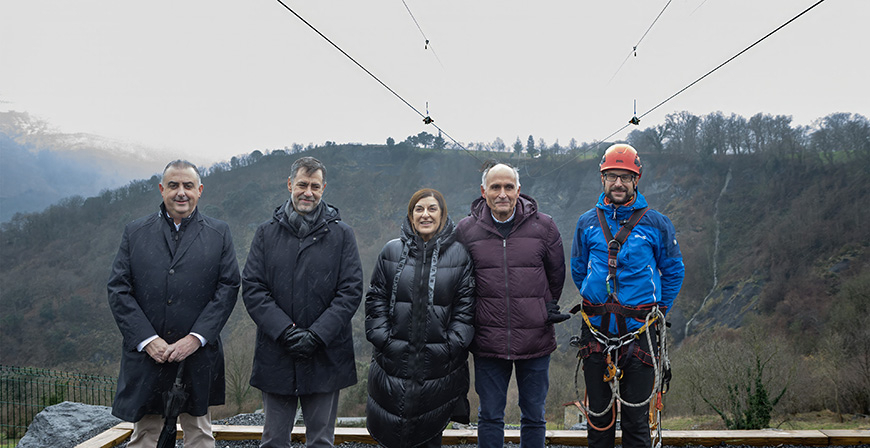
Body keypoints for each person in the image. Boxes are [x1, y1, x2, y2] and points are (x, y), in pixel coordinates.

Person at [107, 160, 241, 448]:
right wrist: (148, 339)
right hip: (146, 357)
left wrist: (195, 338)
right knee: (144, 436)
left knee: (200, 436)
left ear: (200, 190)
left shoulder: (218, 233)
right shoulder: (135, 232)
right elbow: (118, 289)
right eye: (174, 185)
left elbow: (228, 287)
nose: (181, 192)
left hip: (197, 355)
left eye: (188, 186)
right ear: (161, 189)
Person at [242, 156, 363, 448]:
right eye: (302, 185)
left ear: (324, 189)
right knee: (273, 440)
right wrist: (286, 331)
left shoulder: (342, 234)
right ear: (289, 185)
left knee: (321, 440)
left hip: (325, 354)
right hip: (277, 352)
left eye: (315, 186)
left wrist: (317, 335)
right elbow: (253, 288)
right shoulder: (266, 233)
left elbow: (350, 290)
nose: (308, 192)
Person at [570, 144, 684, 448]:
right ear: (602, 178)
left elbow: (673, 271)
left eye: (625, 177)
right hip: (596, 332)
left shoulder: (656, 223)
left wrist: (658, 310)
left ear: (637, 179)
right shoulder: (587, 222)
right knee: (599, 419)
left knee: (636, 423)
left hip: (640, 333)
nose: (618, 183)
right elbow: (579, 269)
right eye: (612, 176)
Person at [455, 162, 568, 448]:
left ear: (519, 190)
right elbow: (458, 281)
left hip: (536, 337)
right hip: (487, 340)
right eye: (495, 187)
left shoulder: (545, 226)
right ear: (483, 192)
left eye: (508, 187)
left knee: (534, 415)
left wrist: (543, 309)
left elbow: (556, 276)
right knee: (490, 415)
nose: (502, 193)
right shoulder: (466, 231)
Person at [365, 188, 476, 448]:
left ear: (442, 214)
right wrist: (384, 340)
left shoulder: (459, 255)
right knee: (390, 436)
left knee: (428, 437)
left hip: (438, 370)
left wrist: (450, 346)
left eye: (432, 209)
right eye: (419, 209)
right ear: (411, 215)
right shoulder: (391, 252)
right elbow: (375, 300)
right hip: (392, 366)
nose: (425, 214)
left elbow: (466, 308)